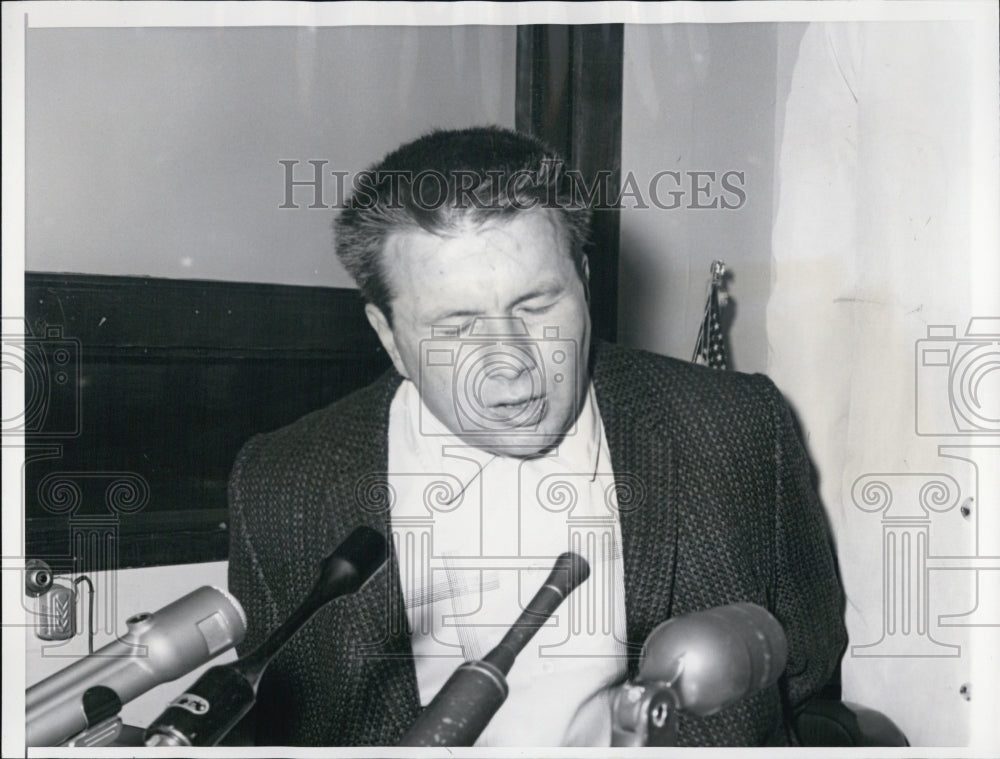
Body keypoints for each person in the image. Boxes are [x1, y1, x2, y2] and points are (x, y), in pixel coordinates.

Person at [227, 126, 846, 746]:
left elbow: (806, 673)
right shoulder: (282, 483)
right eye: (457, 325)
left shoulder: (736, 425)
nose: (510, 363)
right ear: (388, 336)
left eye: (537, 305)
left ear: (583, 282)